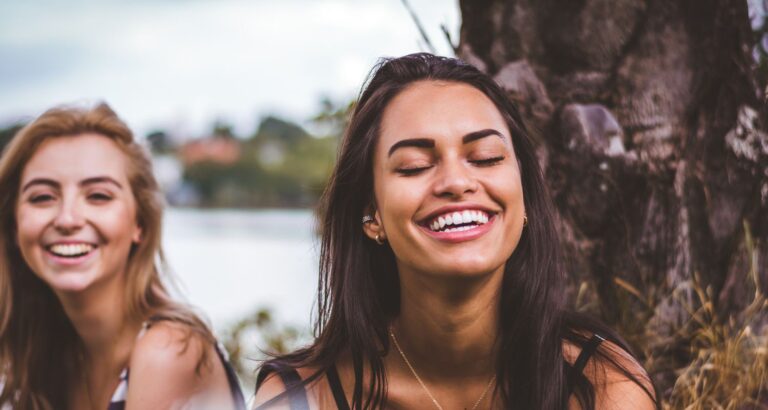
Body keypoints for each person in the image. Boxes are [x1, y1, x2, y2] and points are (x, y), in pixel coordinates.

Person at [253, 53, 658, 409]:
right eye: (414, 165)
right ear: (371, 213)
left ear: (524, 199)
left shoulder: (602, 386)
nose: (456, 182)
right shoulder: (304, 397)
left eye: (485, 157)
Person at [0, 103, 246, 410]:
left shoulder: (168, 351)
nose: (67, 219)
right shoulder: (40, 352)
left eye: (98, 196)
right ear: (13, 224)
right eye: (42, 197)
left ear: (139, 223)